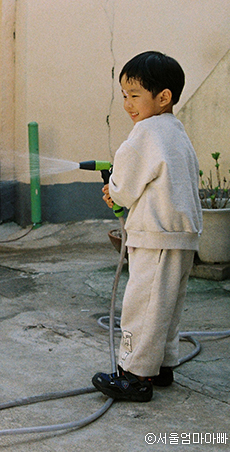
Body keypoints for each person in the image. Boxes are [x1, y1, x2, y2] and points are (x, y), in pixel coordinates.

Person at [92, 51, 202, 402]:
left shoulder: (145, 132)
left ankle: (135, 376)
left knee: (142, 305)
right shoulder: (176, 131)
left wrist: (115, 191)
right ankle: (162, 366)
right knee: (166, 306)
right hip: (181, 236)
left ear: (163, 97)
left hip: (155, 236)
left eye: (134, 95)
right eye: (124, 95)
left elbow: (125, 188)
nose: (127, 104)